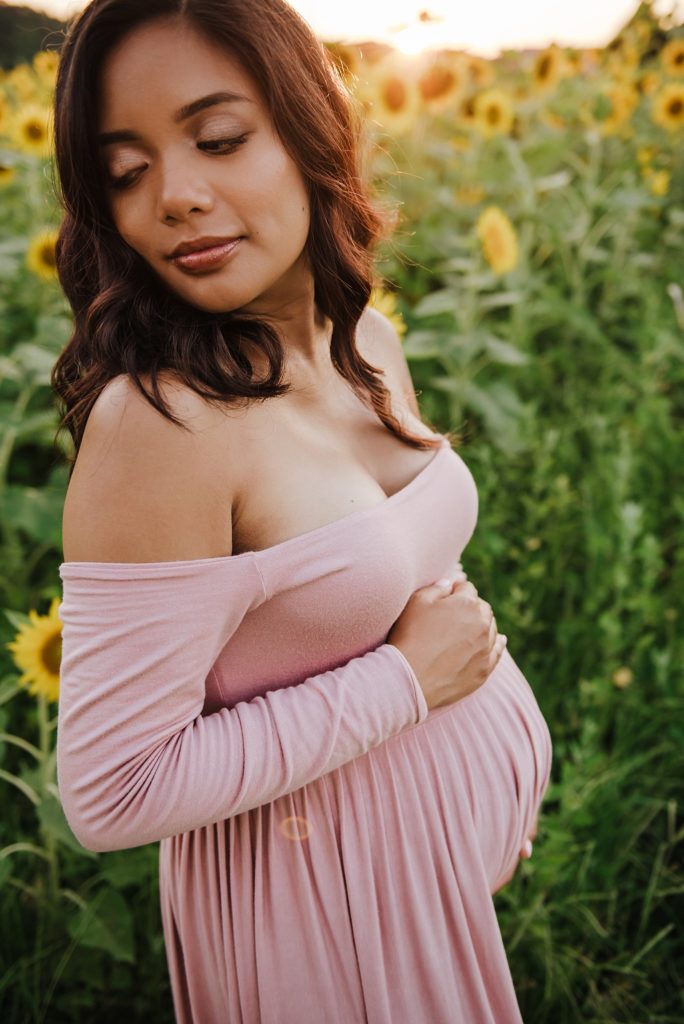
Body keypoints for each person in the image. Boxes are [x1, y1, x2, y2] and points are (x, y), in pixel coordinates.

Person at [51, 1, 553, 1021]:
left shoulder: (359, 341)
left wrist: (476, 786)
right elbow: (112, 792)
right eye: (126, 170)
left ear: (310, 127)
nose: (176, 198)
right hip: (315, 915)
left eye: (219, 139)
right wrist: (407, 684)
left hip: (427, 887)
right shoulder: (161, 425)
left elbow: (400, 580)